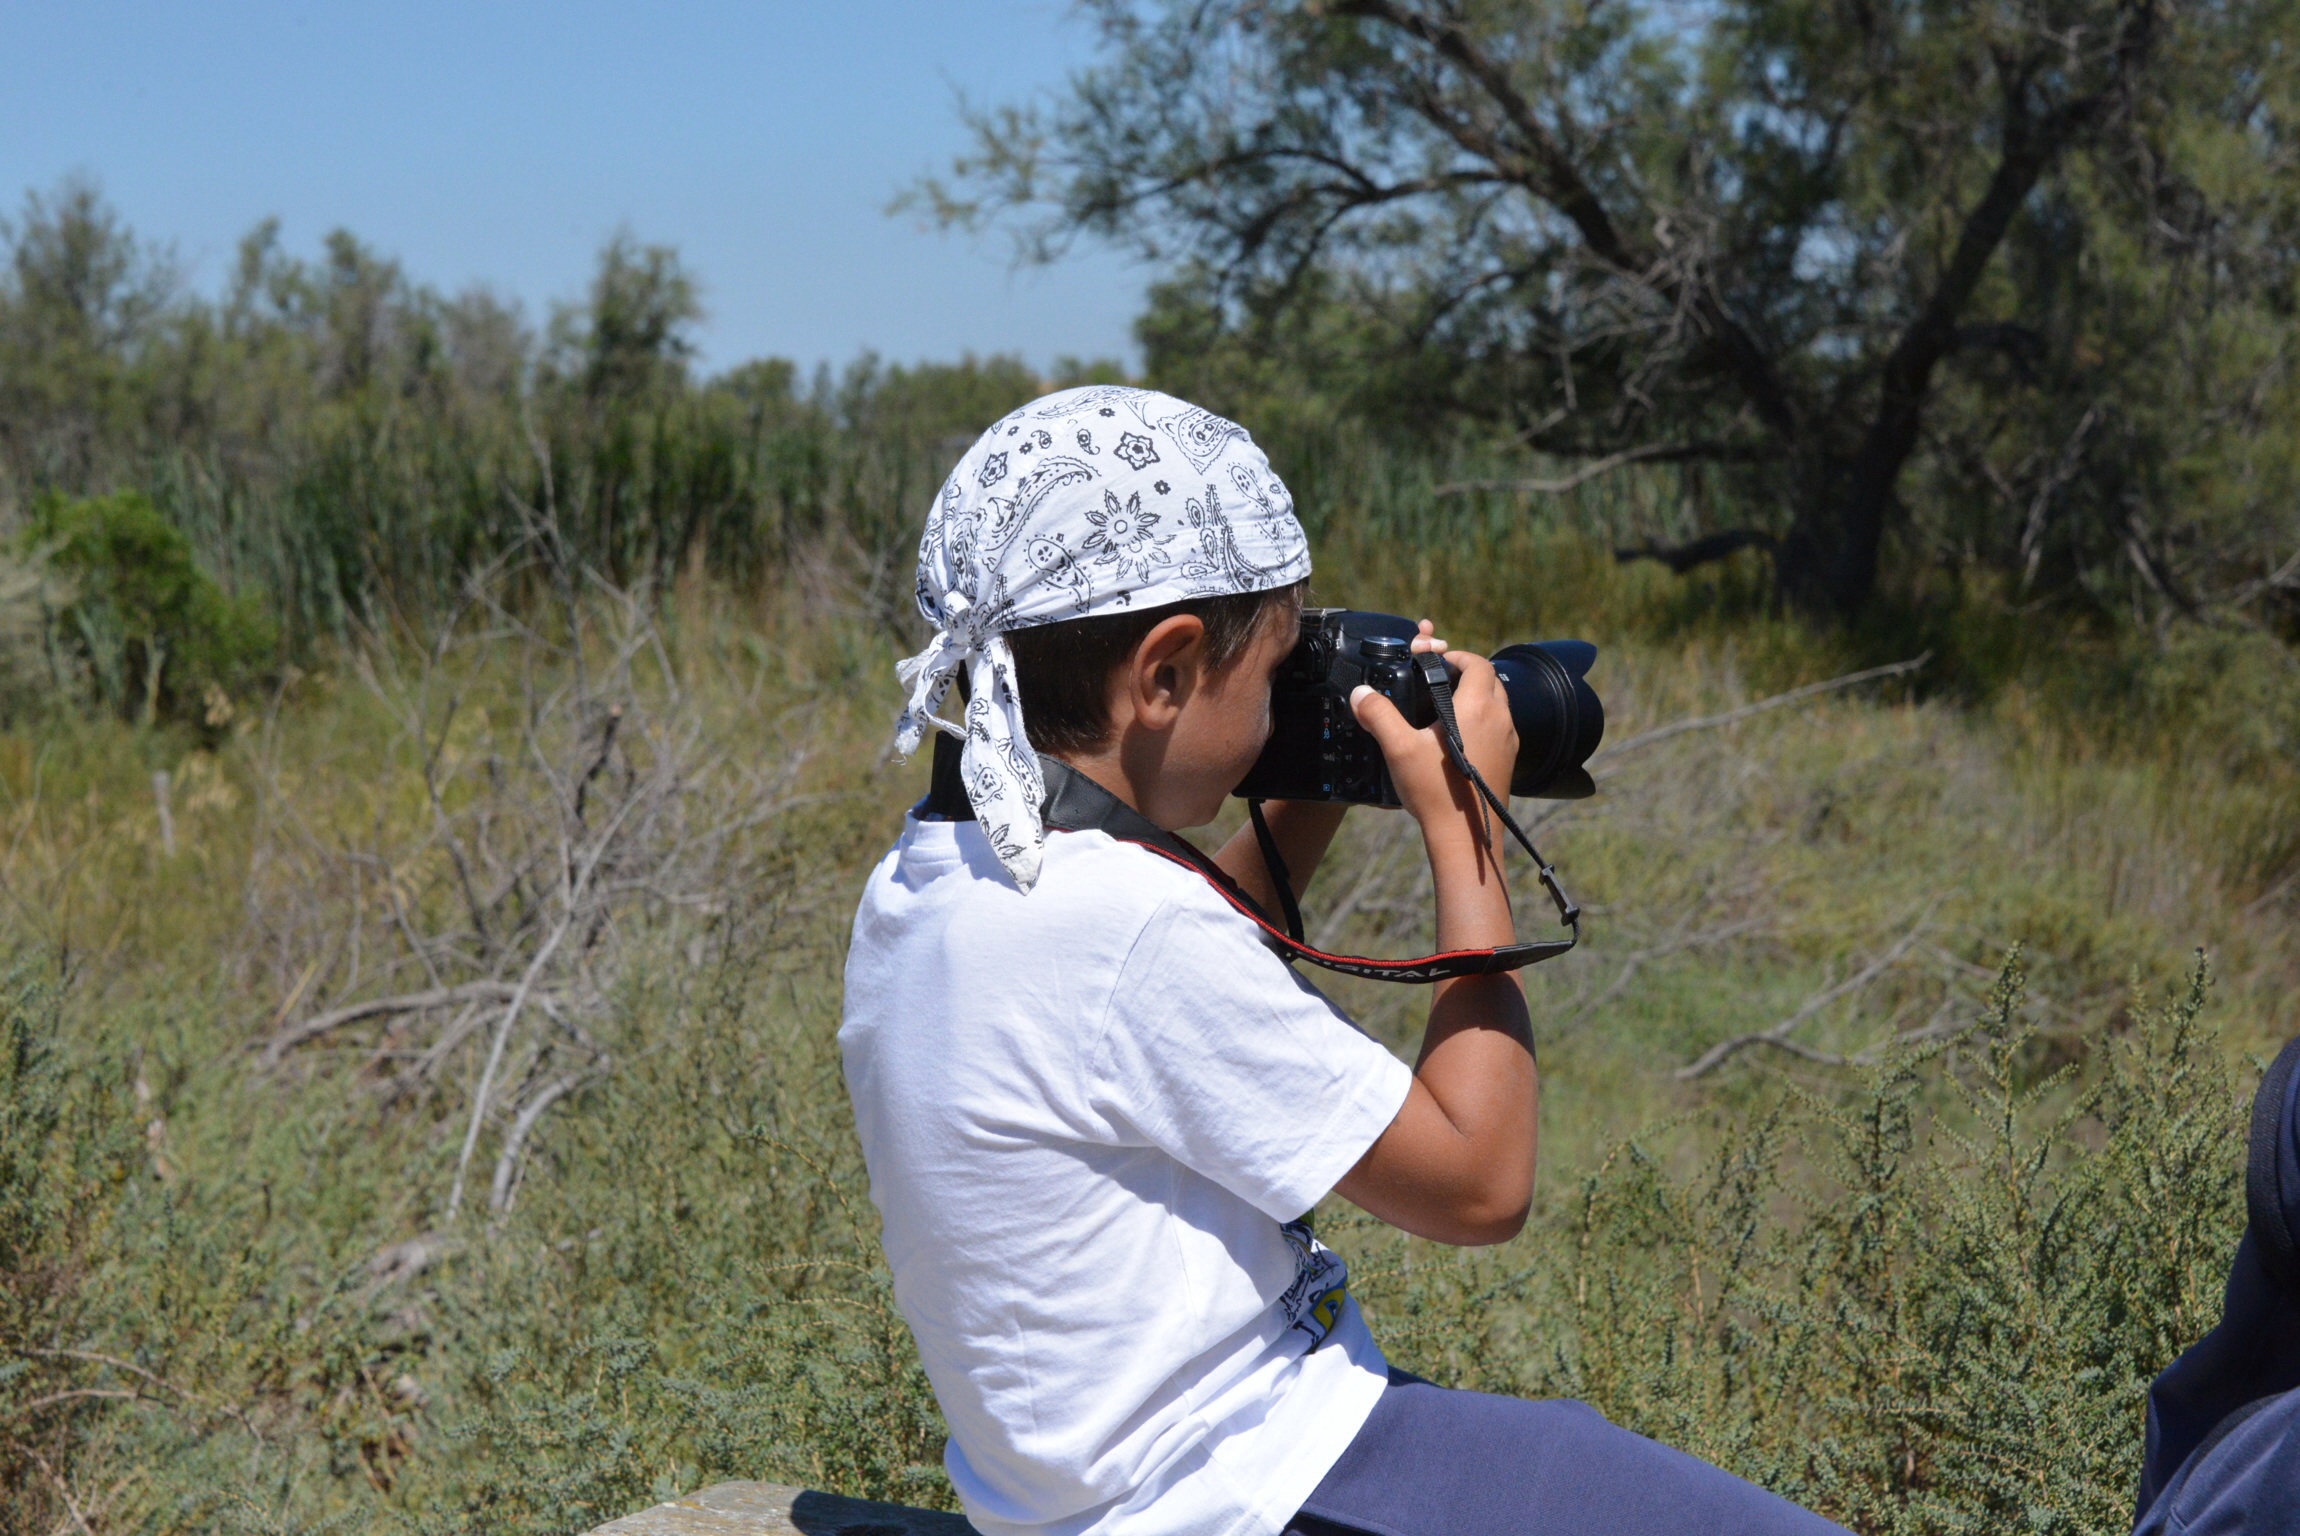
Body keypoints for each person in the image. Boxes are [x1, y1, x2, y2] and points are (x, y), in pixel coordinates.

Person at [839, 385, 1845, 1536]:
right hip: (1261, 1486)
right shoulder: (1126, 934)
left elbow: (1155, 997)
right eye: (1272, 678)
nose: (1278, 712)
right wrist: (1464, 825)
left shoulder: (935, 883)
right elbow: (1479, 1184)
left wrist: (1311, 778)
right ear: (1163, 676)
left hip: (1098, 1497)